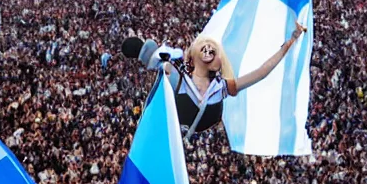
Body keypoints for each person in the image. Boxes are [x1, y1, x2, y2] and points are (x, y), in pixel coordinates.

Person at [124, 22, 306, 133]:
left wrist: (287, 45)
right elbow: (158, 62)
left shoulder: (220, 88)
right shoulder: (176, 76)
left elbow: (261, 72)